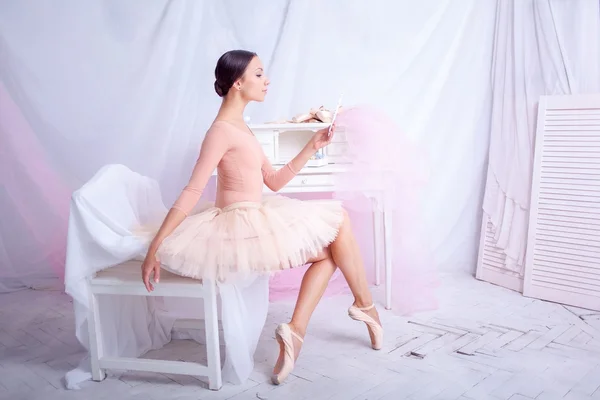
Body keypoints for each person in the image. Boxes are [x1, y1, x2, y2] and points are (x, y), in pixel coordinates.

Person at [140, 49, 383, 385]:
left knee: (331, 249)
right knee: (339, 223)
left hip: (254, 214)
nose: (266, 80)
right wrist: (156, 246)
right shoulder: (221, 131)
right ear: (237, 83)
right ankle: (363, 308)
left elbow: (272, 181)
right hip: (238, 226)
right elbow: (193, 190)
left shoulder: (241, 127)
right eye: (258, 74)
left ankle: (297, 331)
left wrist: (311, 147)